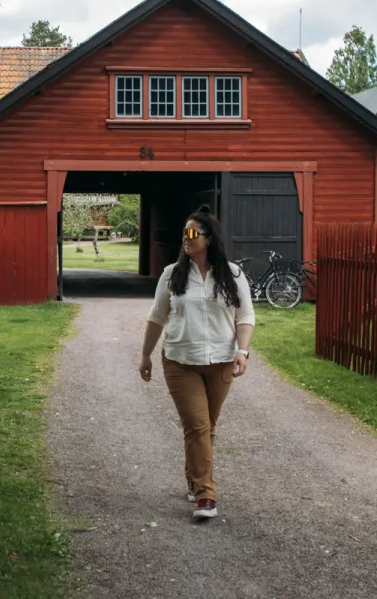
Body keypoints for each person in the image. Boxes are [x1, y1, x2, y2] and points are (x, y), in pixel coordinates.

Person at [138, 204, 254, 520]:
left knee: (205, 426)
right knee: (198, 425)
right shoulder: (171, 275)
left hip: (220, 361)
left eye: (193, 233)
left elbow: (245, 316)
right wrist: (146, 354)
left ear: (209, 238)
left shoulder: (232, 274)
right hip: (180, 361)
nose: (186, 239)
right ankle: (206, 496)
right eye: (184, 234)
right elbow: (157, 317)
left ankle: (194, 477)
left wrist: (242, 351)